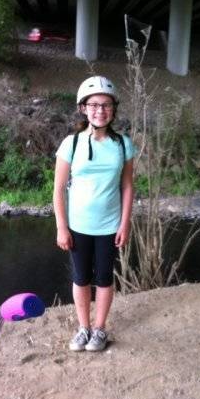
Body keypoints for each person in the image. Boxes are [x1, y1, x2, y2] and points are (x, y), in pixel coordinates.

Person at [53, 75, 135, 352]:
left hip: (109, 225)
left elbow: (127, 186)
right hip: (78, 225)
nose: (100, 110)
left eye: (106, 105)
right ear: (83, 108)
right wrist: (61, 227)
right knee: (80, 278)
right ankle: (83, 327)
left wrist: (124, 224)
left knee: (104, 278)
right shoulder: (71, 143)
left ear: (113, 109)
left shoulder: (123, 144)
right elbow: (58, 189)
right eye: (94, 105)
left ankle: (99, 329)